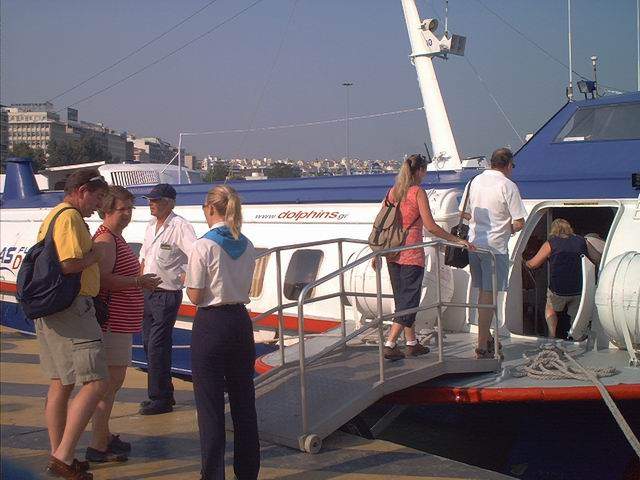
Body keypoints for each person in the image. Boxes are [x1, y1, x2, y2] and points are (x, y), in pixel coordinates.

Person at [35, 169, 109, 480]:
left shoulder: (53, 215)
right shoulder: (69, 218)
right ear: (81, 191)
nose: (98, 205)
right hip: (74, 309)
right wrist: (96, 255)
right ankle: (63, 456)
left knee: (61, 382)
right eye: (97, 197)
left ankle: (60, 455)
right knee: (96, 383)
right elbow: (68, 264)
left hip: (54, 310)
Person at [185, 185, 260, 480]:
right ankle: (248, 471)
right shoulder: (247, 244)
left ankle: (213, 474)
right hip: (240, 322)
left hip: (212, 323)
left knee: (210, 405)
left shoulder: (203, 245)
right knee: (244, 401)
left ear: (209, 208)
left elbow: (195, 295)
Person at [87, 186, 161, 462]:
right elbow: (103, 279)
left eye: (131, 209)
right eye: (123, 209)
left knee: (111, 385)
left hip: (120, 322)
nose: (128, 214)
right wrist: (137, 281)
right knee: (108, 385)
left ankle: (104, 436)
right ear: (107, 210)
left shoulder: (115, 238)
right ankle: (98, 445)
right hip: (112, 324)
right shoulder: (106, 240)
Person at [382, 154, 475, 361]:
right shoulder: (417, 192)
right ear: (421, 171)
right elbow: (431, 226)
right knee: (410, 301)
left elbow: (382, 223)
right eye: (424, 171)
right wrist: (456, 240)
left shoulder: (393, 192)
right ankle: (390, 344)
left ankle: (411, 343)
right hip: (411, 255)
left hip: (391, 254)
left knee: (402, 300)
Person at [460, 147, 527, 358]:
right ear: (508, 165)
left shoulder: (474, 181)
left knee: (483, 293)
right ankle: (482, 344)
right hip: (495, 248)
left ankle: (487, 338)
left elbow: (465, 213)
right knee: (490, 296)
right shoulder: (508, 186)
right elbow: (519, 222)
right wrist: (507, 228)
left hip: (474, 246)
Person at [139, 183, 196, 415]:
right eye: (150, 200)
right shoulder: (150, 226)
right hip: (148, 293)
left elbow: (195, 255)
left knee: (157, 346)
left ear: (170, 203)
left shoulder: (180, 227)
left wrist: (186, 275)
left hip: (166, 294)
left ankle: (160, 399)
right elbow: (144, 256)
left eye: (156, 200)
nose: (151, 204)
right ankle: (163, 393)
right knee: (148, 343)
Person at [525, 218, 587, 338]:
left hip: (559, 289)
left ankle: (552, 335)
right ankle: (577, 337)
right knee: (576, 315)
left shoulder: (551, 243)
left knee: (550, 308)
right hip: (579, 288)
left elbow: (533, 264)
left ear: (553, 230)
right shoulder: (581, 241)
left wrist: (525, 262)